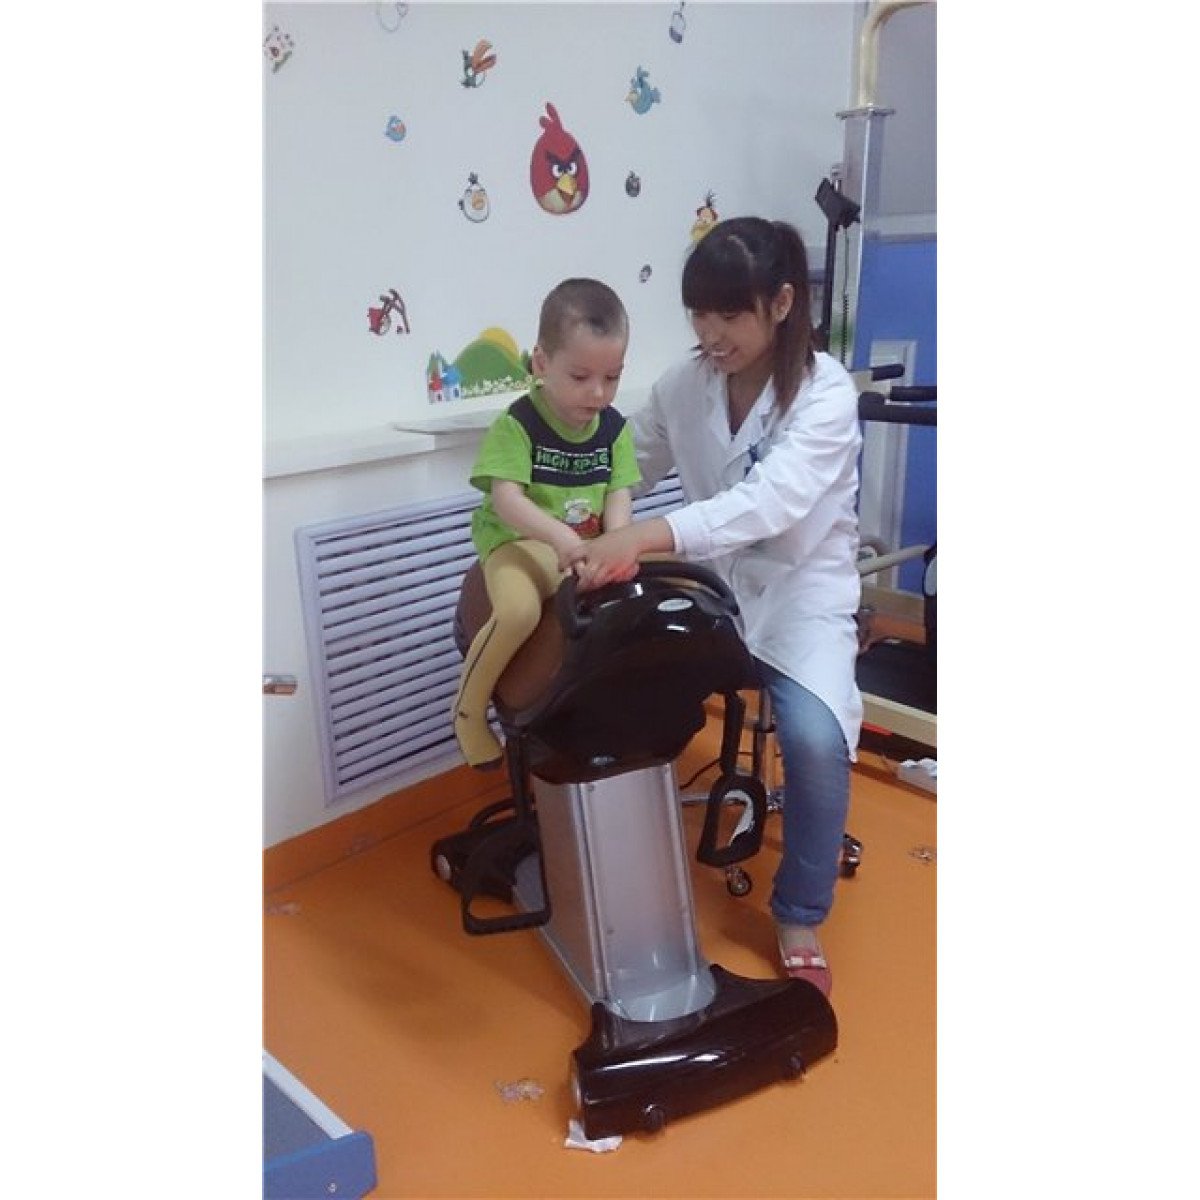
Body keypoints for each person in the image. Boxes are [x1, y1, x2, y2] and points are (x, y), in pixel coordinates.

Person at [574, 217, 862, 997]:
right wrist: (566, 503)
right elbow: (628, 457)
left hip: (801, 597)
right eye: (698, 314)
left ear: (781, 303)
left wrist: (641, 536)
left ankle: (798, 914)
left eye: (728, 314)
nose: (709, 333)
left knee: (814, 742)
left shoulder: (826, 395)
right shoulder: (686, 382)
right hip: (715, 591)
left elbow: (768, 503)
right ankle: (616, 864)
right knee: (617, 680)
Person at [451, 278, 641, 768]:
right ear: (541, 363)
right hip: (518, 542)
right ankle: (469, 711)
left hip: (582, 547)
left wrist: (618, 544)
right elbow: (507, 500)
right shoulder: (517, 424)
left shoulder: (615, 429)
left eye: (612, 377)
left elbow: (618, 496)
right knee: (518, 612)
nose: (598, 393)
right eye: (580, 377)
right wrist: (560, 537)